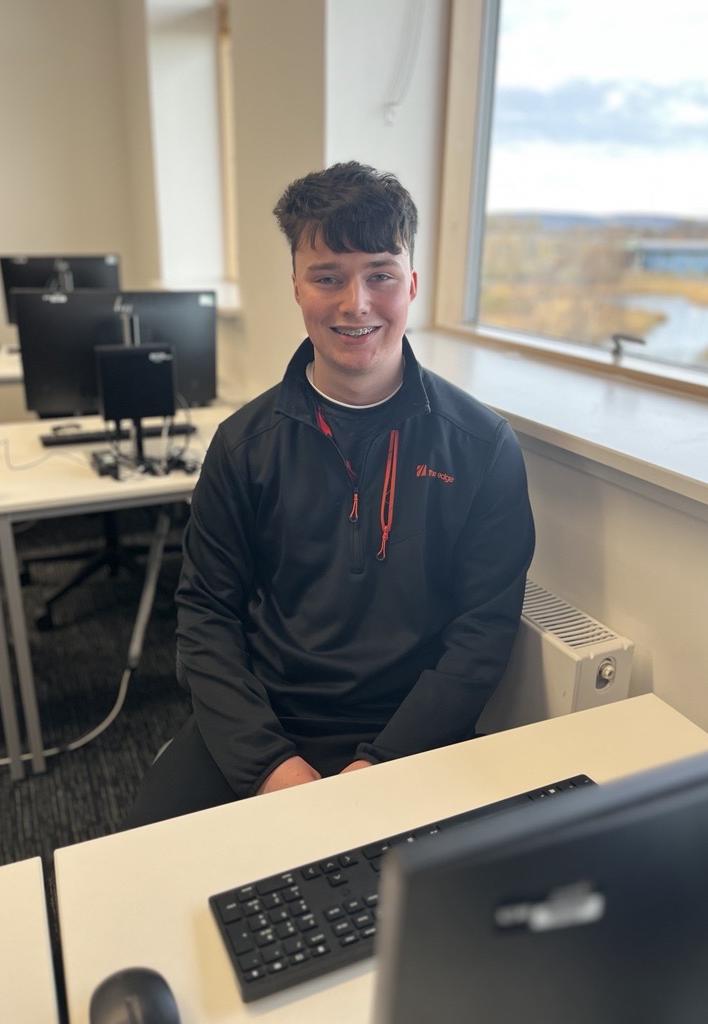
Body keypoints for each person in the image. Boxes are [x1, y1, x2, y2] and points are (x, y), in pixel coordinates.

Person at [125, 161, 535, 827]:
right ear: (295, 286)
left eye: (380, 275)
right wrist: (269, 766)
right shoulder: (243, 444)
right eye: (327, 277)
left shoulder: (483, 446)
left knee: (438, 911)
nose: (356, 304)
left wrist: (385, 763)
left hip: (413, 729)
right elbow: (205, 617)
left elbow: (482, 632)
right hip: (268, 717)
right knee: (144, 870)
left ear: (413, 285)